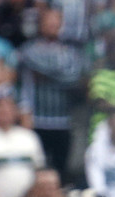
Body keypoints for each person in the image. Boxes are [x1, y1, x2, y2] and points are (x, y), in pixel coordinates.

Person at [18, 8, 85, 184]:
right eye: (48, 21)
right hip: (37, 119)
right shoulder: (29, 49)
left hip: (63, 121)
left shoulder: (71, 52)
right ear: (41, 24)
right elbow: (28, 69)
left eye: (56, 22)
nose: (52, 25)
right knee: (37, 171)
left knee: (61, 171)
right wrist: (60, 76)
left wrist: (46, 76)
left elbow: (74, 78)